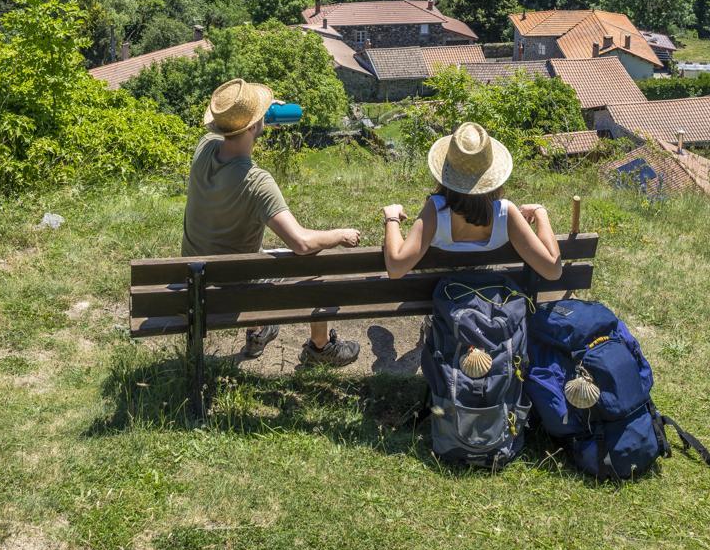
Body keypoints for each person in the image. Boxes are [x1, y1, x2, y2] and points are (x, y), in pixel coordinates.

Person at [182, 78, 361, 366]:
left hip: (195, 285)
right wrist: (340, 234)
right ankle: (321, 348)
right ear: (253, 126)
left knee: (247, 262)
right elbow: (301, 242)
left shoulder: (204, 148)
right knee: (313, 266)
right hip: (237, 291)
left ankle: (257, 332)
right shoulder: (257, 181)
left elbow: (230, 135)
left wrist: (257, 121)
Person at [381, 120, 562, 281]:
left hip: (445, 311)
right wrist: (540, 212)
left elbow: (396, 268)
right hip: (490, 310)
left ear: (446, 171)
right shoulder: (506, 214)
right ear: (491, 175)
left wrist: (392, 218)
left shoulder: (436, 211)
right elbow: (553, 271)